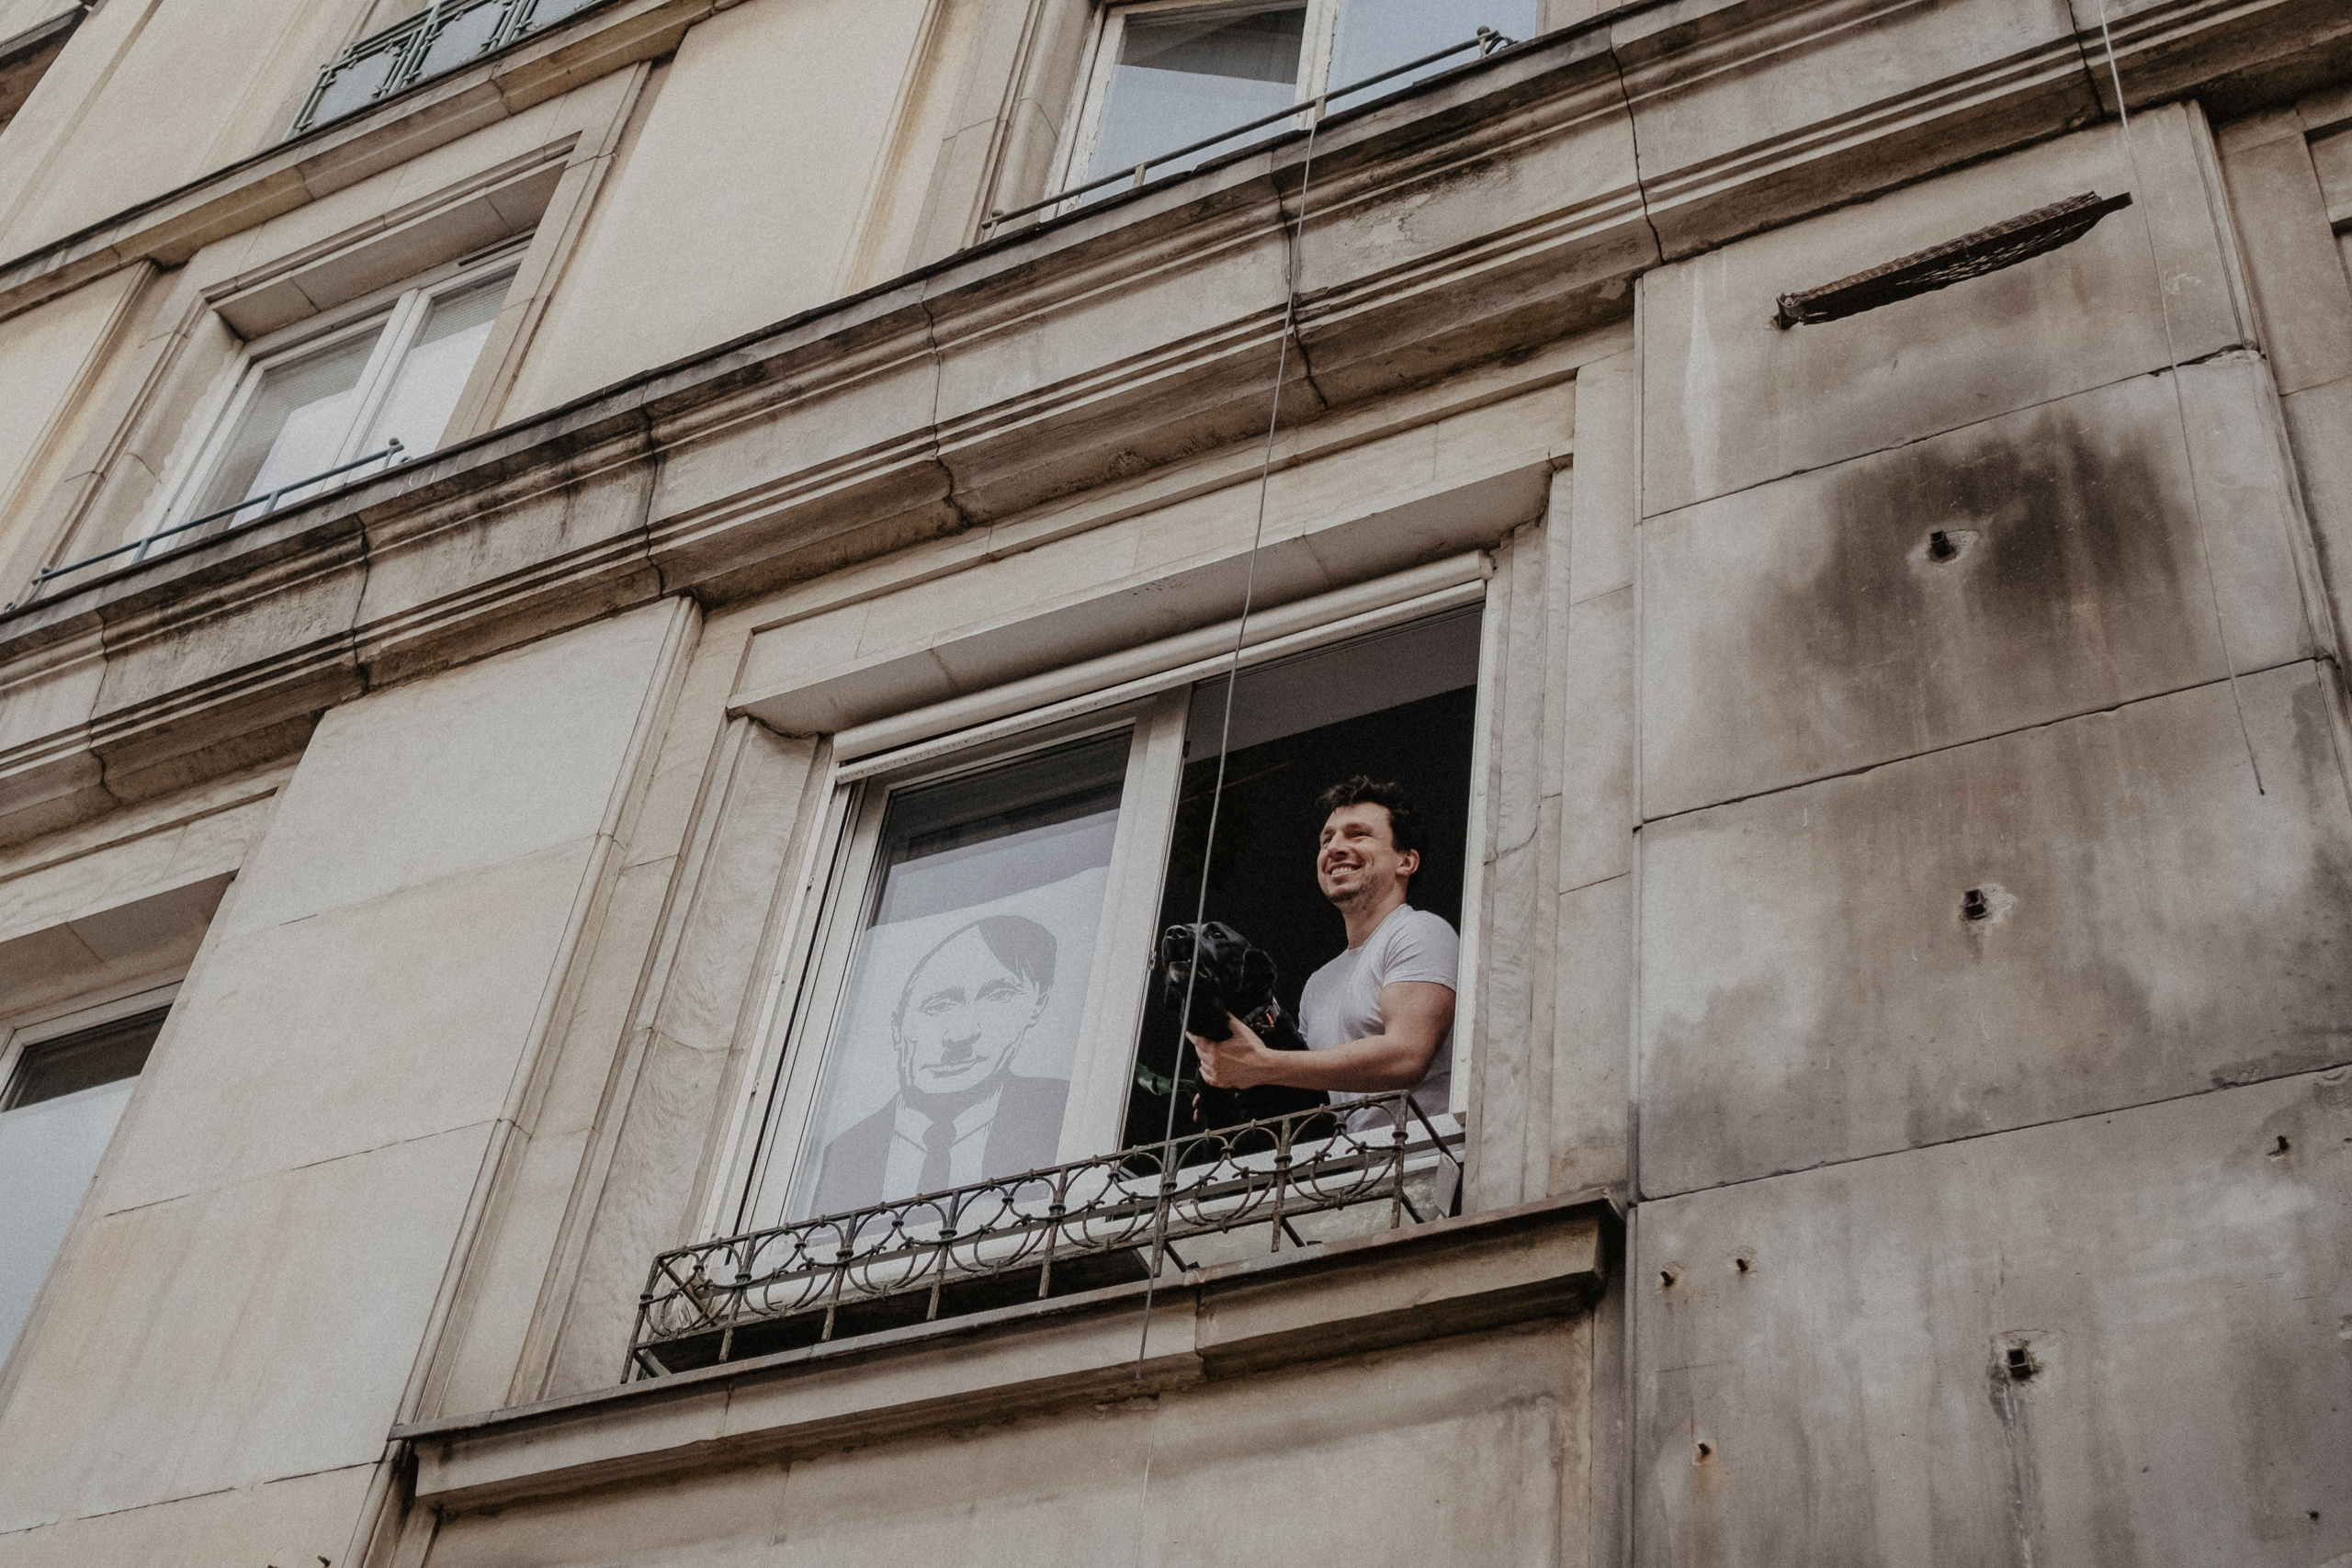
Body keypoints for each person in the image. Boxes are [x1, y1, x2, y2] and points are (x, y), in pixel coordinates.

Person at [1190, 776, 1457, 1127]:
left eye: (1358, 834)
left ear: (1405, 861)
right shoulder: (1319, 983)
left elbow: (1407, 1057)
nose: (1335, 848)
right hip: (1342, 1160)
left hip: (1418, 1156)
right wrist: (1234, 1087)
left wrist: (1261, 1065)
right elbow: (1309, 1089)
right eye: (1326, 839)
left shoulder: (1420, 931)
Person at [809, 915, 1069, 1214]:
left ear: (1037, 1005)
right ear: (897, 1027)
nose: (962, 1034)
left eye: (998, 995)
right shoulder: (846, 1154)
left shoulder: (1060, 1114)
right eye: (939, 1005)